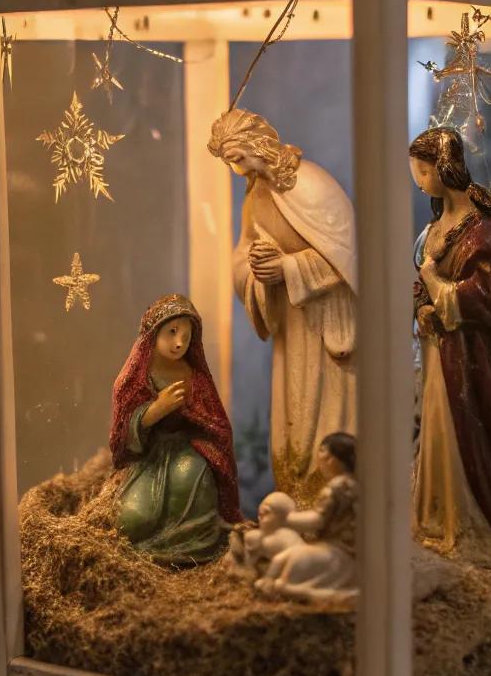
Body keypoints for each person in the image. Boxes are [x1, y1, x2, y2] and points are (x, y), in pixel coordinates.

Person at [208, 108, 356, 502]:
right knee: (293, 425)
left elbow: (347, 260)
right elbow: (242, 252)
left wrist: (288, 267)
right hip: (291, 331)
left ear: (257, 145)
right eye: (229, 163)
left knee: (324, 420)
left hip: (326, 330)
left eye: (237, 158)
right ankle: (295, 504)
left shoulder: (312, 186)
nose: (237, 170)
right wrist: (256, 271)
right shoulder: (256, 192)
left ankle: (333, 507)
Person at [409, 127, 491, 564]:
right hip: (439, 352)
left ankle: (468, 519)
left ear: (443, 171)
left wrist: (433, 284)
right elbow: (421, 285)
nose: (418, 181)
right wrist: (423, 307)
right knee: (437, 432)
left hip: (470, 361)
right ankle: (437, 517)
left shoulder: (483, 237)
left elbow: (485, 298)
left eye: (423, 172)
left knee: (461, 432)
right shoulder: (435, 227)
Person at [110, 293, 240, 564]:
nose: (179, 342)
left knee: (192, 489)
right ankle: (144, 548)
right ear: (153, 334)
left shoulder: (194, 376)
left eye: (186, 335)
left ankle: (187, 551)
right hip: (149, 458)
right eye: (172, 332)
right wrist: (155, 410)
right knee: (131, 520)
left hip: (187, 452)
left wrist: (200, 438)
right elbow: (122, 436)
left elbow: (216, 426)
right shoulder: (134, 379)